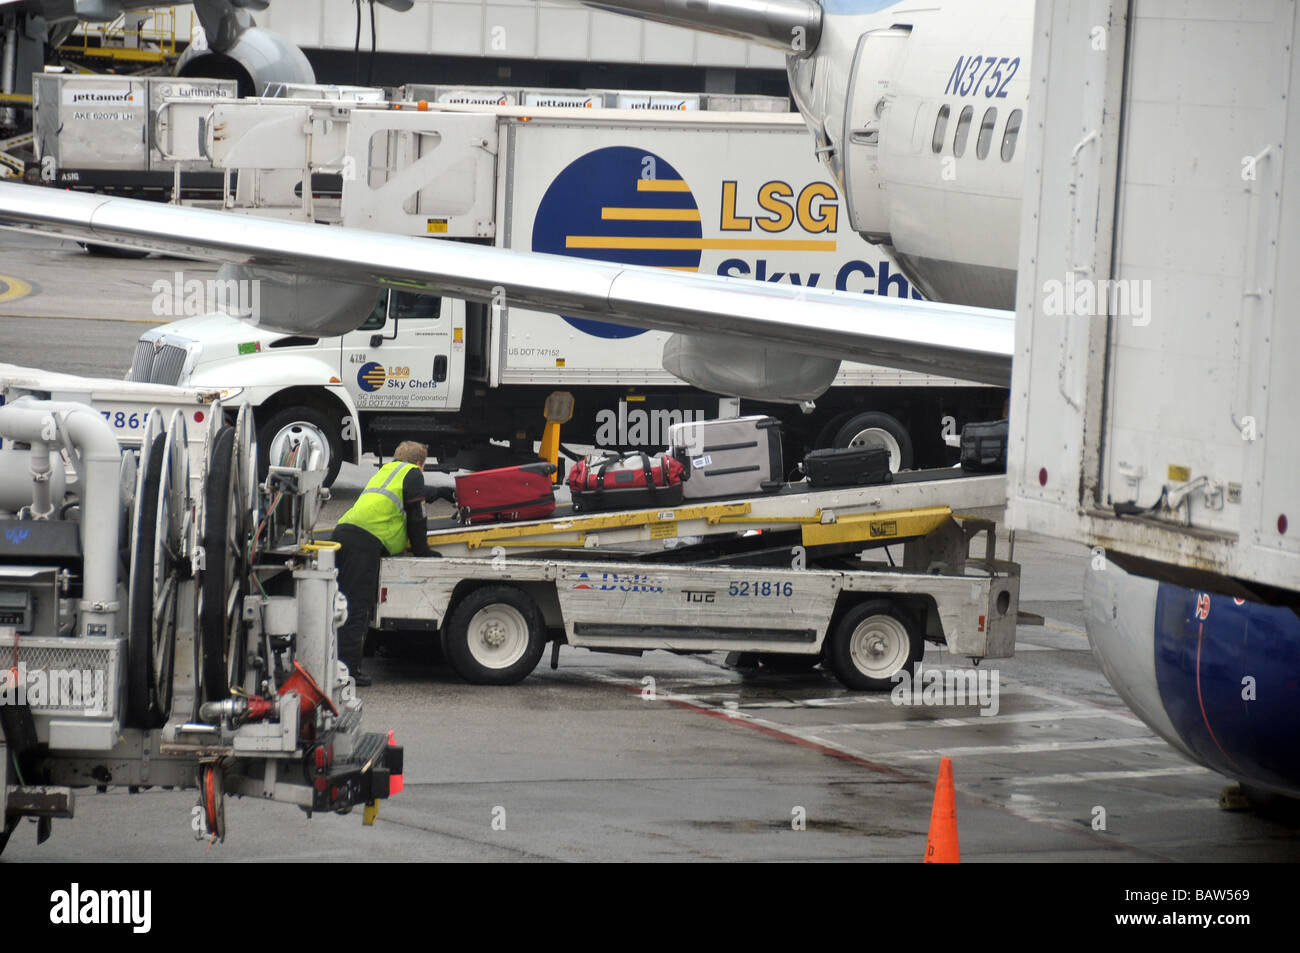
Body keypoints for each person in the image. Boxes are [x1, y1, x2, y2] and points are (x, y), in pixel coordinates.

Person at [332, 441, 437, 685]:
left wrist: (437, 493)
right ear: (420, 464)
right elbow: (416, 516)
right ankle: (348, 672)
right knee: (357, 605)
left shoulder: (387, 472)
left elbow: (407, 496)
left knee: (342, 601)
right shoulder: (412, 474)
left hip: (345, 532)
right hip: (364, 541)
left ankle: (341, 661)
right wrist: (423, 552)